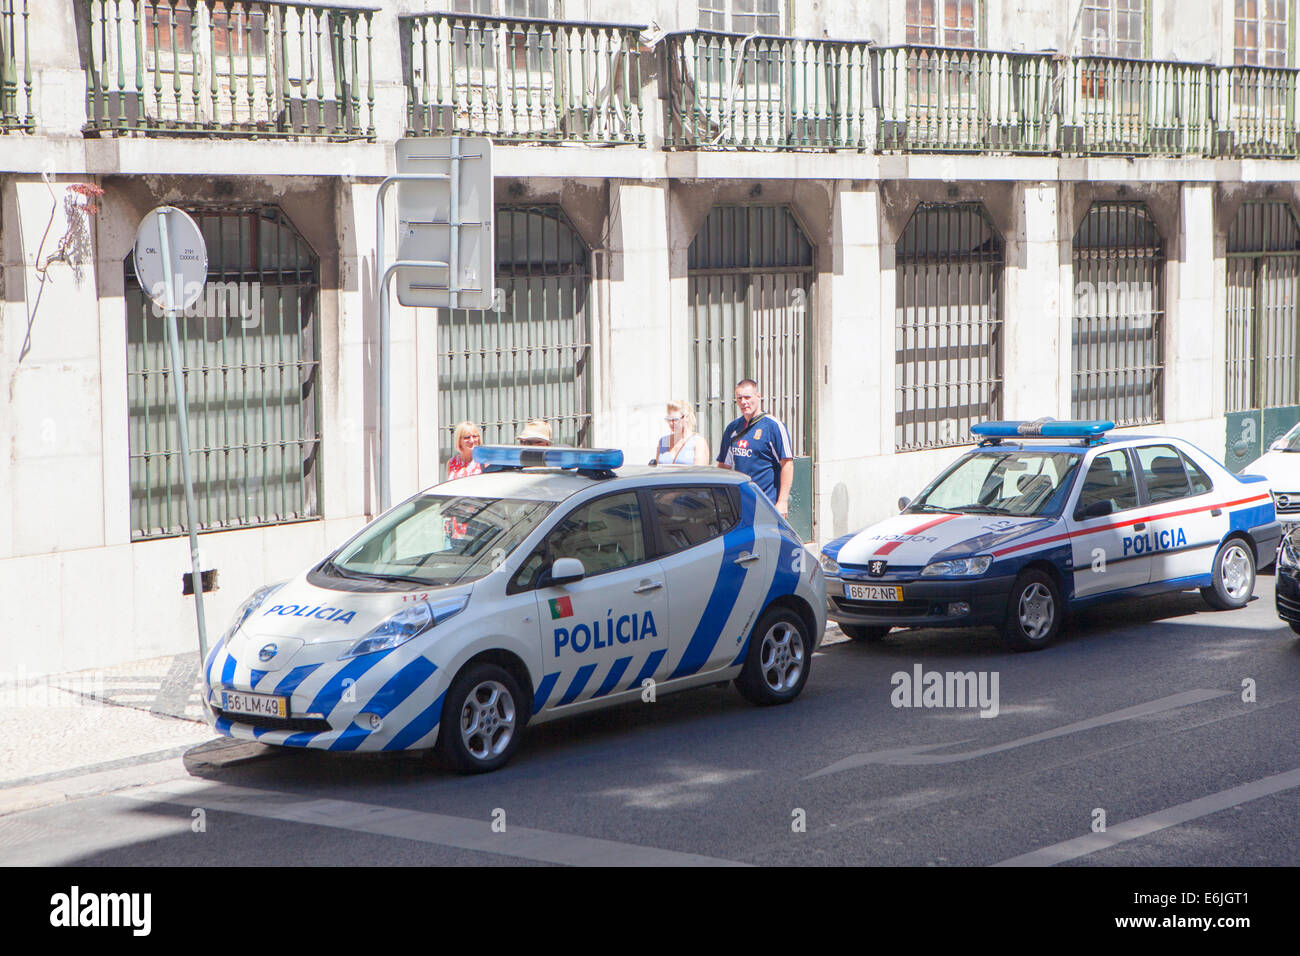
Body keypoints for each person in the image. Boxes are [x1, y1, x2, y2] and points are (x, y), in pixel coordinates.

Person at [717, 379, 794, 517]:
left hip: (768, 503)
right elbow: (724, 465)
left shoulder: (773, 426)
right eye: (739, 398)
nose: (743, 402)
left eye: (747, 397)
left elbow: (787, 464)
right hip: (740, 503)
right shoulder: (732, 428)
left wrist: (782, 502)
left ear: (758, 397)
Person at [654, 399, 710, 465]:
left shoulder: (698, 442)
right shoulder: (664, 441)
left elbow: (699, 473)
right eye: (668, 420)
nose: (671, 423)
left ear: (686, 417)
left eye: (675, 420)